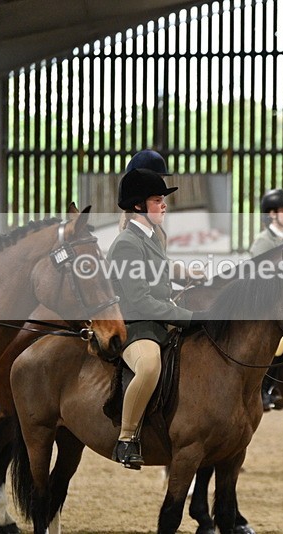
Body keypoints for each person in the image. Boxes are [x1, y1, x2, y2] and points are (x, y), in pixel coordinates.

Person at [108, 149, 208, 469]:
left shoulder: (152, 235)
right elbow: (139, 301)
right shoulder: (127, 243)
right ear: (139, 205)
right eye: (157, 200)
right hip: (137, 325)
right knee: (149, 366)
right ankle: (126, 438)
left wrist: (192, 278)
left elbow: (161, 271)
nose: (165, 204)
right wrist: (188, 317)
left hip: (159, 317)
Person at [249, 188, 283, 411]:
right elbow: (262, 277)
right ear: (271, 214)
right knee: (282, 342)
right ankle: (264, 388)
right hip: (265, 304)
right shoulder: (263, 242)